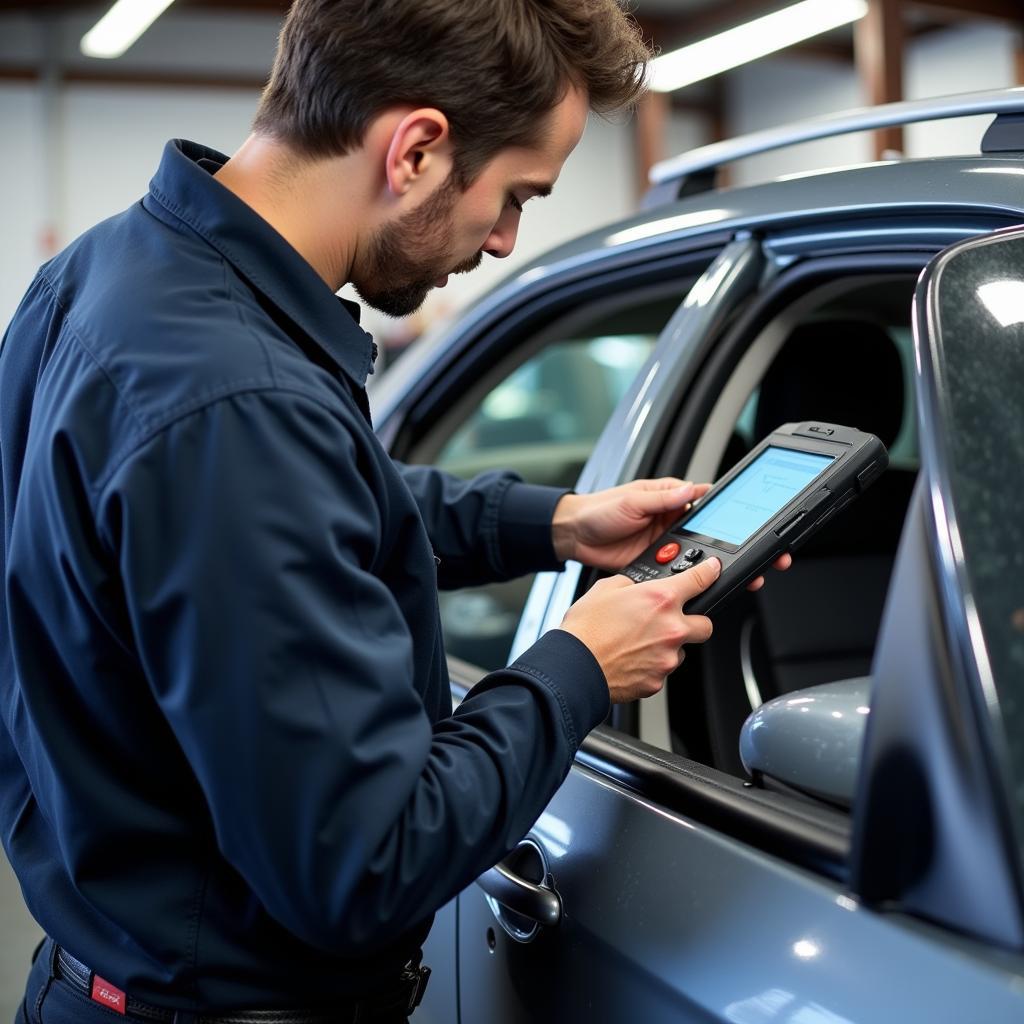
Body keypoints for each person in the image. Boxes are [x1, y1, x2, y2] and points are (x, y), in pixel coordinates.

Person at [0, 2, 788, 1022]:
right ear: (416, 149)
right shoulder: (239, 399)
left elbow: (282, 507)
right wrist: (580, 665)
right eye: (513, 197)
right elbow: (365, 863)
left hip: (103, 972)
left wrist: (551, 524)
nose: (505, 240)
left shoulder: (105, 276)